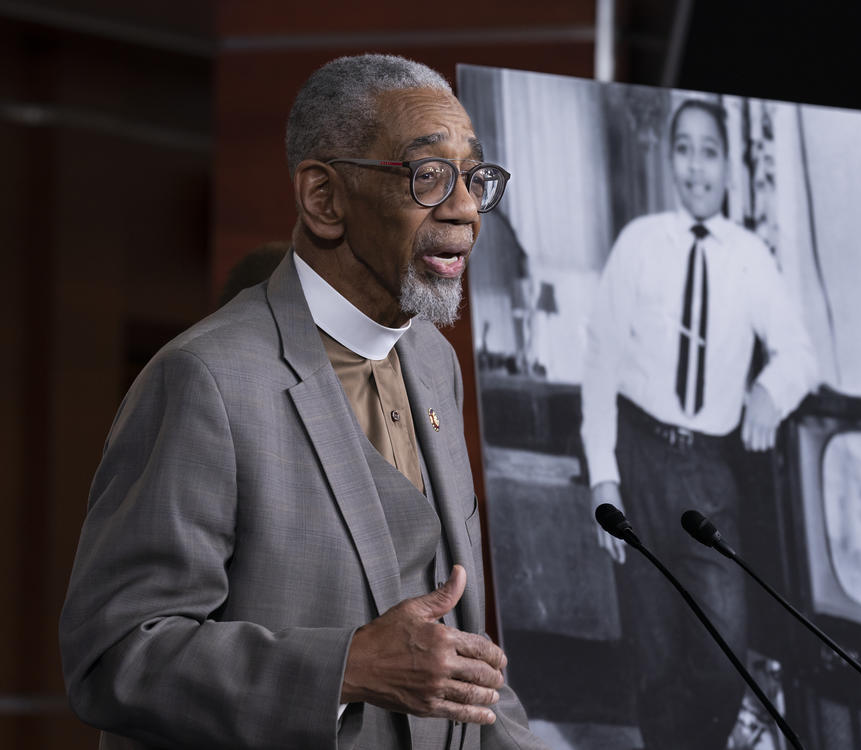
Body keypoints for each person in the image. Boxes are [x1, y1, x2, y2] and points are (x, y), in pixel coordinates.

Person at [60, 54, 546, 750]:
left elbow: (456, 659)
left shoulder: (435, 361)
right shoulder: (206, 379)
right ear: (324, 199)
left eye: (473, 177)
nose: (466, 207)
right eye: (429, 174)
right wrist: (346, 667)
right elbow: (114, 655)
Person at [580, 98, 818, 749]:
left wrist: (769, 393)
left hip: (711, 471)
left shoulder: (751, 258)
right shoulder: (638, 243)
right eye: (683, 148)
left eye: (709, 151)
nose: (695, 165)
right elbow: (599, 361)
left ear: (728, 167)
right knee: (655, 662)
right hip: (640, 459)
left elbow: (800, 353)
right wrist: (604, 479)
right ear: (669, 158)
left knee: (724, 654)